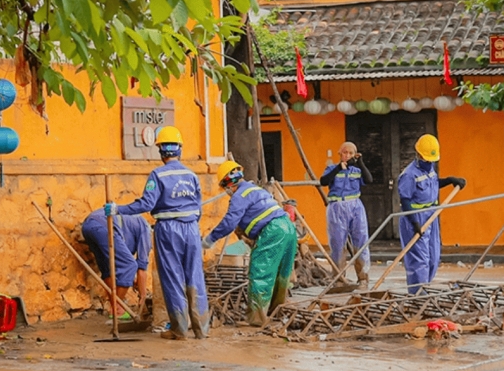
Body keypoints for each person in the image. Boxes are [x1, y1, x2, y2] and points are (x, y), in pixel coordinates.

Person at [104, 125, 208, 340]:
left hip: (168, 229)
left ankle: (179, 330)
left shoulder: (158, 175)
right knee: (195, 277)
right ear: (179, 149)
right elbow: (198, 208)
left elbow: (146, 204)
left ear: (161, 151)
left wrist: (118, 209)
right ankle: (201, 330)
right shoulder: (191, 175)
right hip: (191, 228)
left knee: (172, 277)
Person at [202, 161, 297, 326]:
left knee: (260, 273)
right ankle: (275, 312)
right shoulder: (256, 189)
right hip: (288, 227)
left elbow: (229, 222)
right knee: (281, 273)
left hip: (272, 231)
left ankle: (257, 319)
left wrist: (209, 240)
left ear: (227, 183)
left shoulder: (239, 196)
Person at [397, 134, 466, 294]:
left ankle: (425, 287)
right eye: (426, 159)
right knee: (419, 259)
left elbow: (433, 184)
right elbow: (405, 200)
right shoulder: (409, 175)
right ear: (418, 154)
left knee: (433, 257)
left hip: (431, 215)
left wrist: (449, 180)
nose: (429, 162)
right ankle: (417, 293)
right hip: (416, 216)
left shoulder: (430, 168)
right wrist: (414, 222)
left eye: (431, 160)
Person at [320, 141, 372, 285]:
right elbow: (323, 181)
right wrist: (339, 168)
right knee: (337, 244)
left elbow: (369, 179)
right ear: (340, 153)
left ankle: (363, 278)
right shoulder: (332, 168)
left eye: (350, 153)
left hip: (355, 205)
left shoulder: (357, 170)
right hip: (336, 206)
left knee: (361, 241)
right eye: (345, 152)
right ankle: (339, 279)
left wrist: (360, 163)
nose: (347, 155)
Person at [81, 210, 151, 316]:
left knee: (108, 269)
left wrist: (131, 279)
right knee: (130, 265)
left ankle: (117, 310)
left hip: (88, 226)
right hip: (104, 225)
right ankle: (117, 308)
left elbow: (119, 261)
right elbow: (141, 268)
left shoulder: (133, 224)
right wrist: (143, 295)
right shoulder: (146, 230)